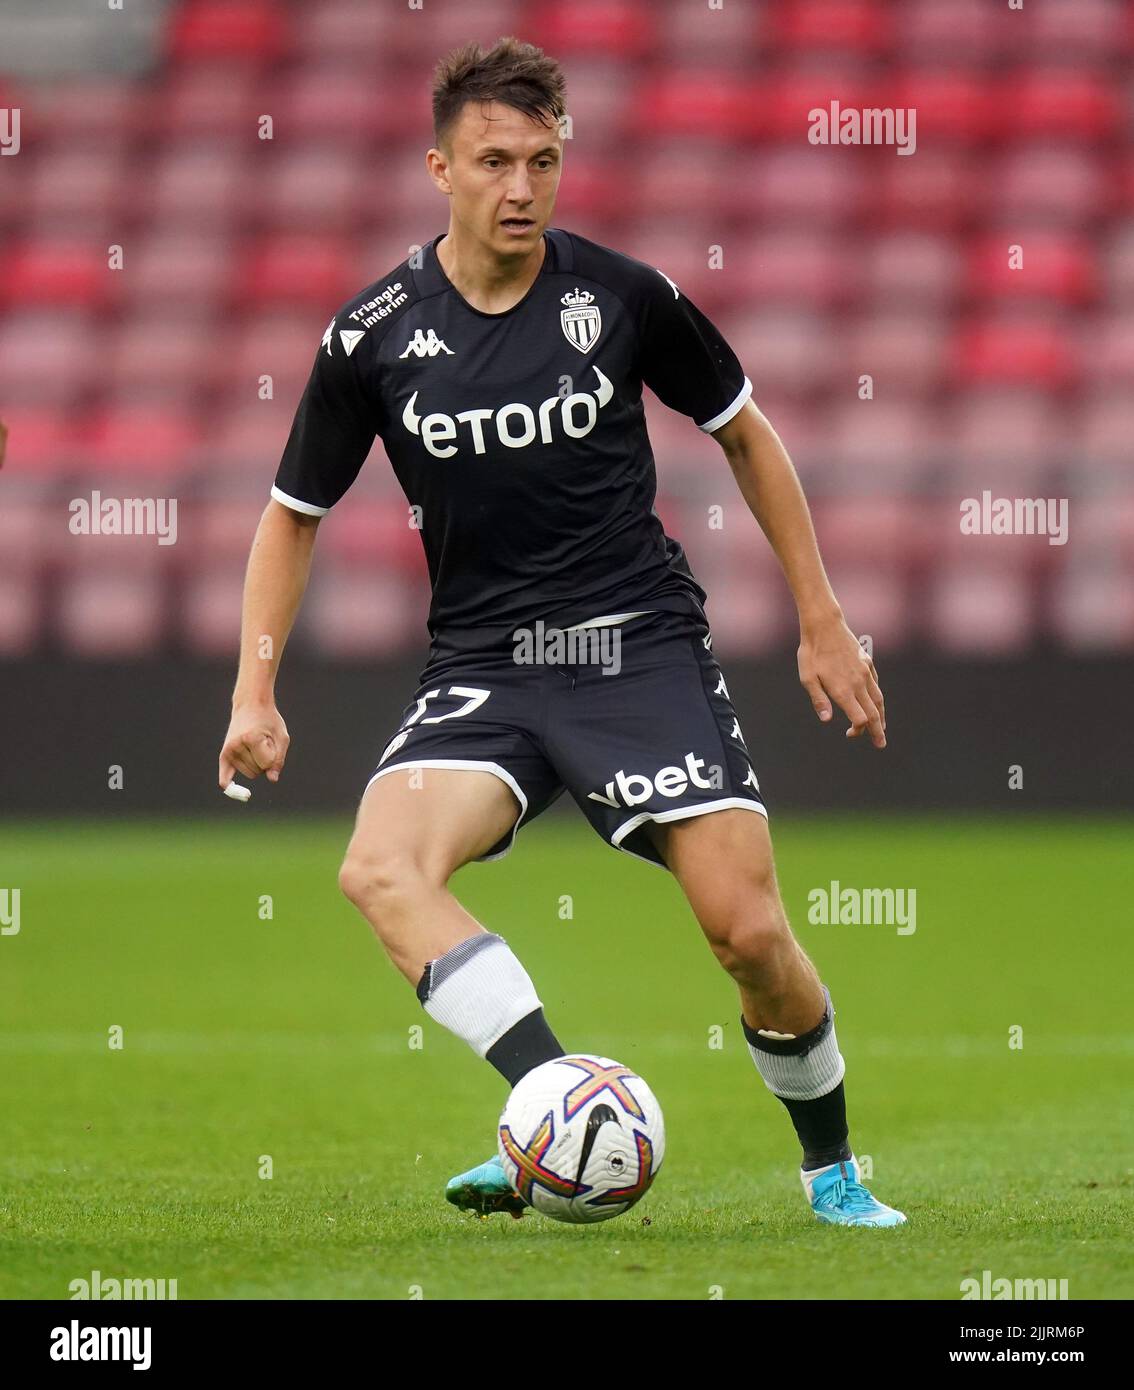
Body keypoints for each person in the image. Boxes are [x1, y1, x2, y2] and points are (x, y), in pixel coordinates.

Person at [219, 37, 904, 1228]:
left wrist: (822, 619)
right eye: (494, 161)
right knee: (380, 869)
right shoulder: (373, 334)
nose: (523, 186)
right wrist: (253, 692)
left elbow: (746, 432)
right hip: (487, 664)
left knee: (746, 934)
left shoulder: (623, 297)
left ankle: (832, 1168)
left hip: (635, 645)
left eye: (543, 159)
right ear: (440, 166)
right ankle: (550, 1099)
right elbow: (291, 519)